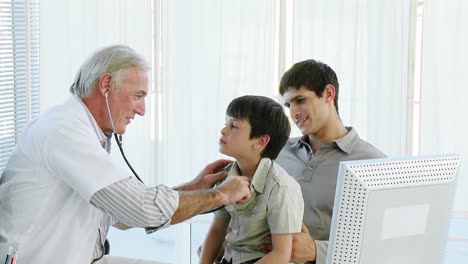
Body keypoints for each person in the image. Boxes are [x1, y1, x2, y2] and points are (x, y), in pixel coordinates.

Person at [0, 45, 251, 264]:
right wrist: (221, 194)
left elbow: (118, 214)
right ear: (106, 85)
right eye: (138, 96)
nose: (141, 110)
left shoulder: (86, 131)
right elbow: (140, 211)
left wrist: (194, 187)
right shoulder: (64, 130)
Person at [264, 59, 386, 264]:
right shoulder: (278, 152)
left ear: (329, 94)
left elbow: (380, 247)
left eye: (300, 100)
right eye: (289, 104)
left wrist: (316, 252)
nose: (293, 113)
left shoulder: (373, 163)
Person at [199, 96, 304, 264]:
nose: (223, 130)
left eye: (233, 126)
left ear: (260, 141)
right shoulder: (225, 176)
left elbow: (281, 254)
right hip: (231, 258)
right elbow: (217, 229)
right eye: (226, 122)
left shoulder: (281, 187)